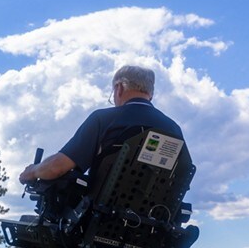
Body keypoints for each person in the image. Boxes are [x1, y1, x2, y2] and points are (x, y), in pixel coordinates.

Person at [18, 65, 183, 184]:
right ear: (150, 94)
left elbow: (57, 168)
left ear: (119, 88)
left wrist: (32, 171)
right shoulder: (173, 129)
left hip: (100, 220)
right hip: (154, 222)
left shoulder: (103, 119)